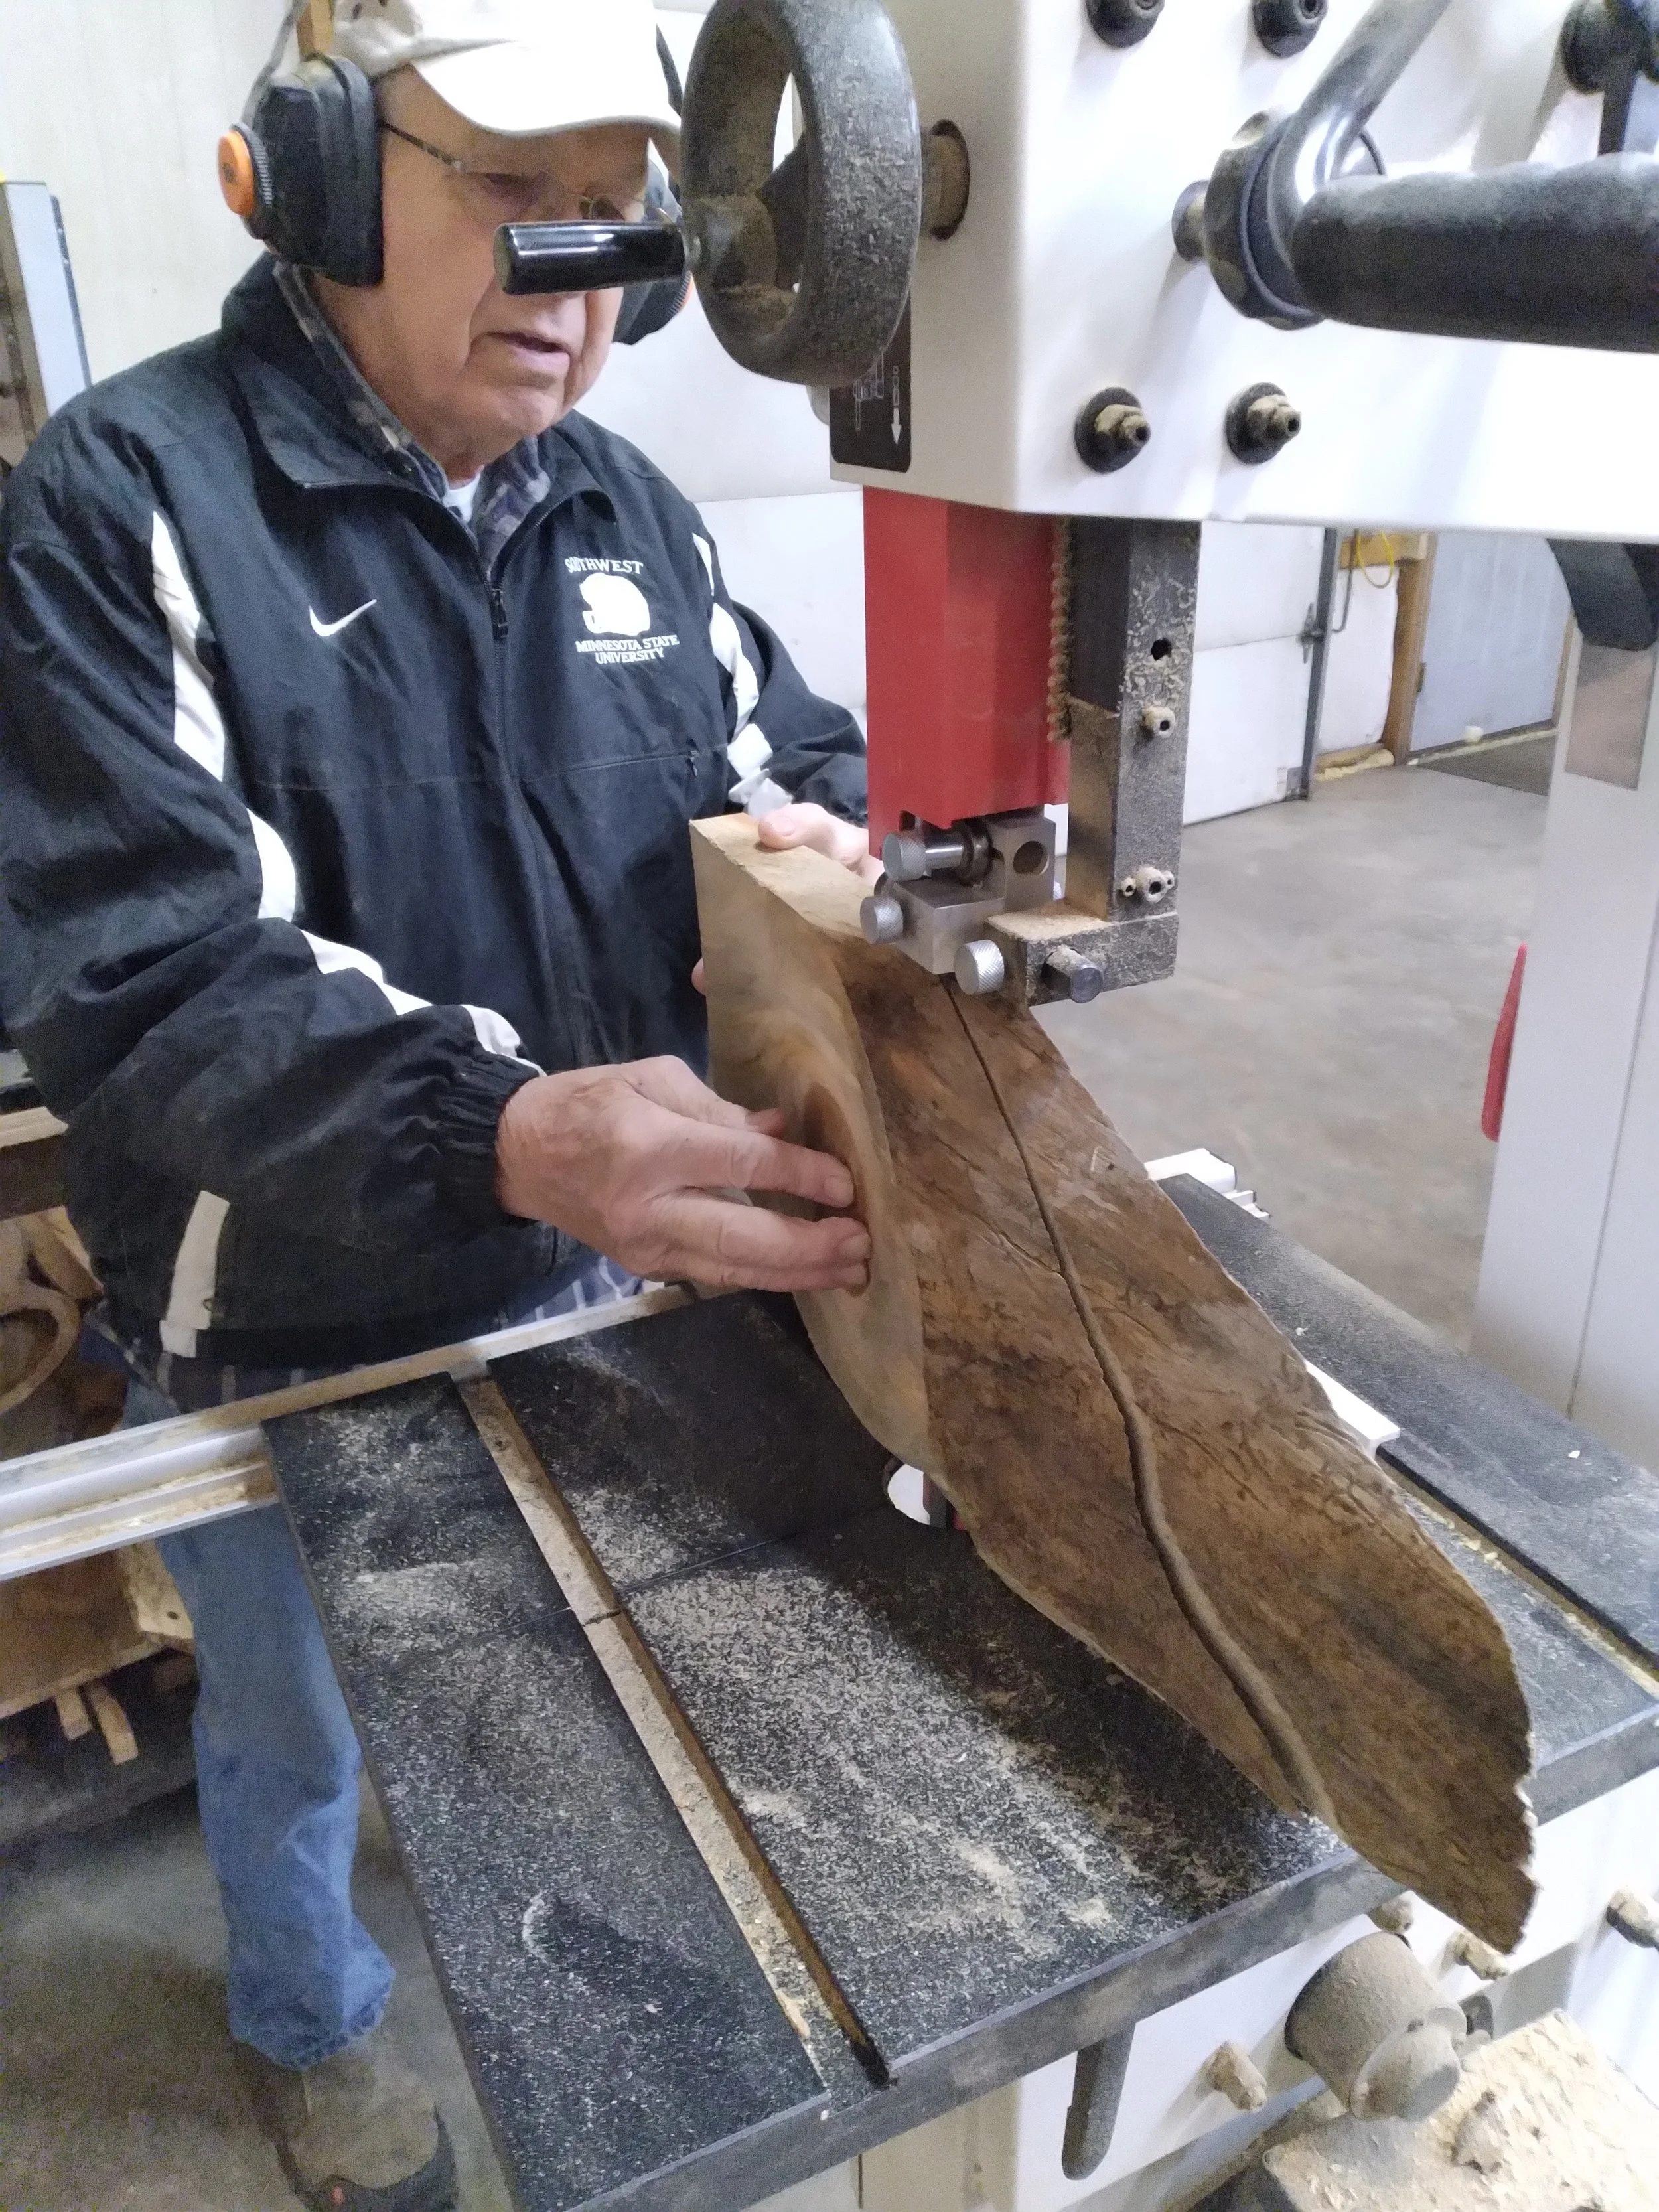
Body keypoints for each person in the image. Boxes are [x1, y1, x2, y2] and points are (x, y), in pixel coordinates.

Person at [0, 3, 875, 2205]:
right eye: (512, 192)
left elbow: (782, 758)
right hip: (285, 1325)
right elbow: (151, 972)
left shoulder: (628, 510)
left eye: (612, 216)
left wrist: (826, 859)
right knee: (295, 1725)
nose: (570, 278)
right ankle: (310, 2019)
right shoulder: (123, 502)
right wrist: (503, 1128)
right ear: (318, 178)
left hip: (595, 1279)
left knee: (584, 1686)